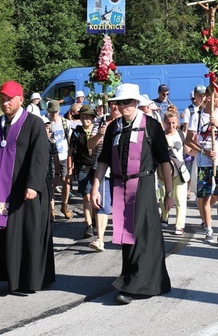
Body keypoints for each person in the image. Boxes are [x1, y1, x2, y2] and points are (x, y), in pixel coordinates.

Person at [0, 80, 54, 298]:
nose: (5, 103)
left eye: (9, 99)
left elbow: (41, 156)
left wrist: (34, 184)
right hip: (0, 191)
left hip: (25, 191)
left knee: (23, 235)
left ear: (20, 99)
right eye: (2, 99)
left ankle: (24, 279)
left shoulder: (34, 123)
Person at [91, 83, 173, 305]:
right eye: (118, 102)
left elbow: (164, 161)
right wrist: (96, 186)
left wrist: (169, 192)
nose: (122, 106)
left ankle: (135, 284)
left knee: (142, 232)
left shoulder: (152, 126)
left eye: (126, 102)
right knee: (126, 232)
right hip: (120, 185)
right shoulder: (113, 128)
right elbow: (104, 160)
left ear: (136, 102)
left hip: (144, 184)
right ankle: (132, 277)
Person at [184, 85, 218, 246]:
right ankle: (209, 229)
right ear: (210, 98)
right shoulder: (196, 116)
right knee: (205, 196)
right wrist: (204, 150)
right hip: (205, 162)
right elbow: (188, 140)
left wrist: (217, 125)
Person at [88, 100, 120, 252]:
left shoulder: (124, 122)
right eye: (112, 104)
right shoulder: (100, 121)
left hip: (121, 170)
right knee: (101, 204)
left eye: (117, 104)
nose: (115, 107)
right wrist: (100, 134)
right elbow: (90, 144)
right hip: (103, 168)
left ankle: (123, 236)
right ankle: (100, 239)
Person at [67, 104, 98, 239]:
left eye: (88, 117)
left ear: (92, 118)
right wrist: (69, 169)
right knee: (86, 196)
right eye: (83, 117)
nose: (85, 119)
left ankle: (95, 217)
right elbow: (71, 152)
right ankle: (88, 225)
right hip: (82, 167)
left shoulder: (98, 131)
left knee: (95, 195)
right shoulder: (76, 132)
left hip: (96, 167)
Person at [164, 109, 191, 235]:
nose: (171, 126)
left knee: (180, 199)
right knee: (163, 196)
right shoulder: (161, 136)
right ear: (165, 123)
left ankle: (179, 225)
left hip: (179, 170)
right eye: (169, 123)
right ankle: (164, 215)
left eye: (173, 123)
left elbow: (189, 149)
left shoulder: (181, 135)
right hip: (163, 171)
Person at [47, 100, 72, 218]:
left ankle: (64, 205)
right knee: (52, 182)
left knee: (65, 181)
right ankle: (51, 209)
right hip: (50, 156)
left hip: (64, 155)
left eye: (55, 112)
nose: (54, 114)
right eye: (51, 112)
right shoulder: (45, 122)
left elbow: (70, 139)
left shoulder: (65, 122)